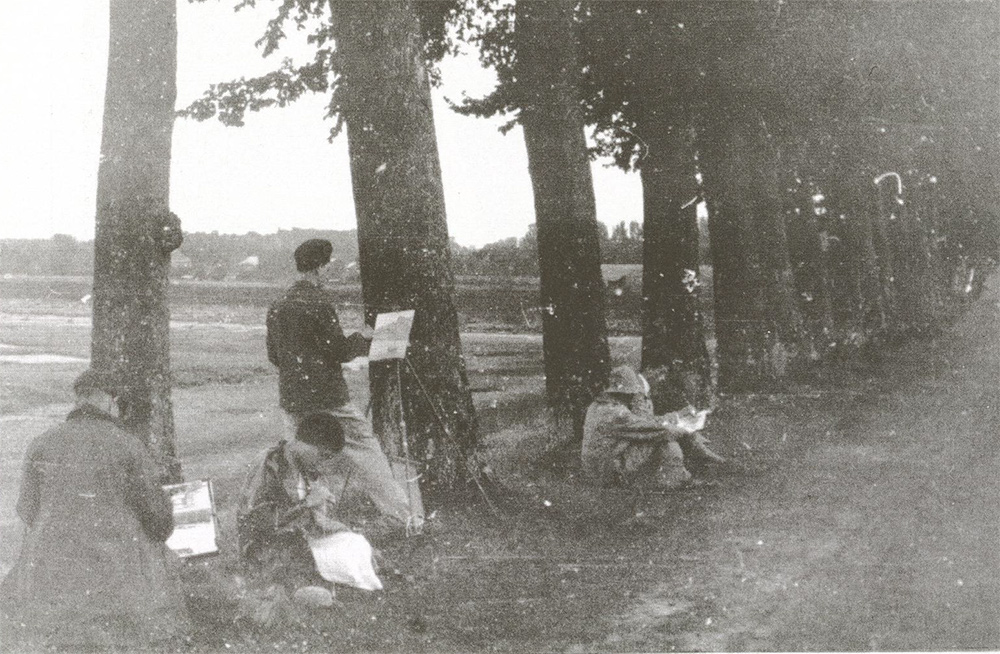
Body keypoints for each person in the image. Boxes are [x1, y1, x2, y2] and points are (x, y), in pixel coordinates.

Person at [0, 369, 189, 651]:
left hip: (50, 589)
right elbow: (159, 522)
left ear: (78, 399)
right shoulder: (128, 446)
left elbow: (27, 512)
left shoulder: (40, 444)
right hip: (116, 592)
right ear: (111, 400)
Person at [266, 239, 419, 532]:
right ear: (320, 267)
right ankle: (400, 516)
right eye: (328, 264)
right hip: (327, 396)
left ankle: (310, 522)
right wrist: (363, 337)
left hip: (292, 397)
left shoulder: (277, 305)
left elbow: (274, 355)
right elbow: (339, 351)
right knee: (365, 449)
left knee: (301, 459)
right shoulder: (320, 302)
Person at [237, 412, 351, 591]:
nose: (322, 464)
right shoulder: (270, 464)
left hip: (297, 542)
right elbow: (259, 524)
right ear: (305, 443)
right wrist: (307, 503)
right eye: (322, 455)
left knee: (353, 545)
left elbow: (312, 521)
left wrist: (337, 528)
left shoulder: (304, 466)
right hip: (267, 551)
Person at [582, 365, 724, 490]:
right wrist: (684, 429)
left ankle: (687, 471)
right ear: (625, 393)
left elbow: (643, 423)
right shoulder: (615, 413)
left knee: (663, 433)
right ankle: (681, 479)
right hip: (606, 471)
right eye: (632, 394)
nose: (633, 398)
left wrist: (675, 417)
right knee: (664, 438)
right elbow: (651, 429)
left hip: (597, 468)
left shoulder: (599, 406)